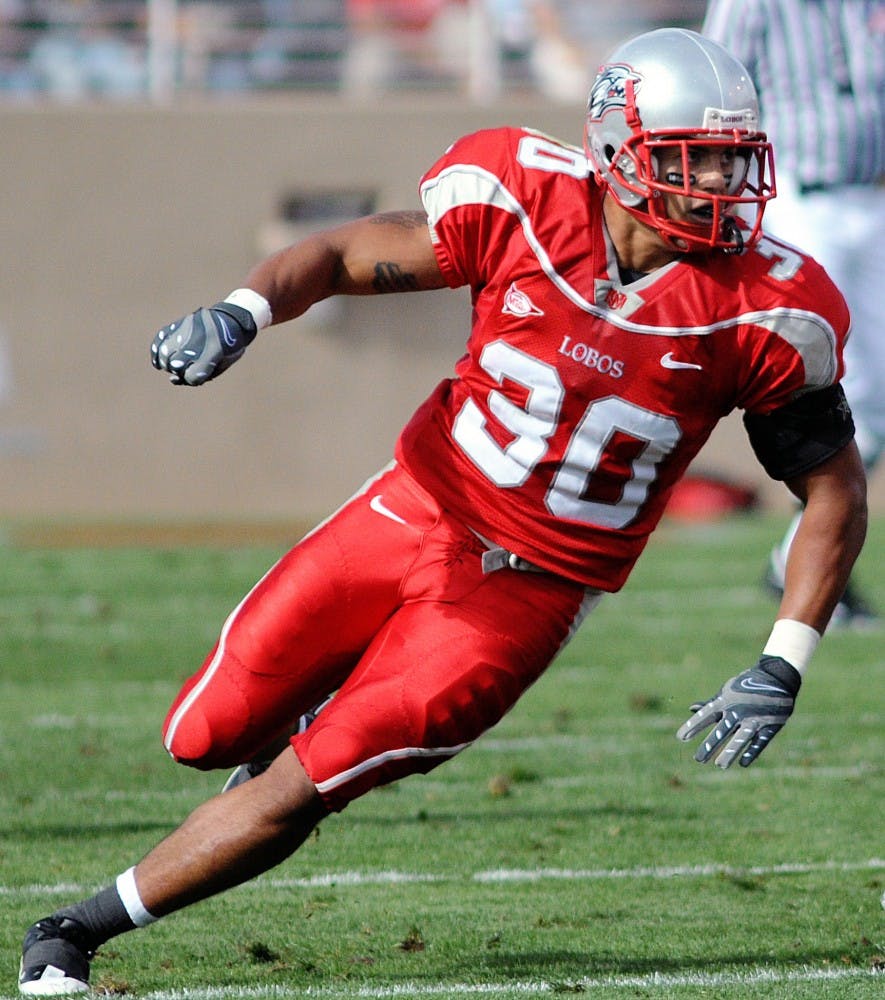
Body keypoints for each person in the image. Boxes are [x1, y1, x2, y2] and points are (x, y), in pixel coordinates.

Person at [18, 27, 867, 995]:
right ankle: (280, 743)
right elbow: (339, 253)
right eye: (693, 160)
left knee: (310, 783)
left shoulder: (768, 308)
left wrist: (784, 657)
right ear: (616, 150)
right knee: (202, 734)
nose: (720, 187)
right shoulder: (522, 197)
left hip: (528, 593)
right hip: (412, 507)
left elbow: (833, 485)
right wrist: (242, 311)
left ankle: (71, 933)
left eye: (733, 160)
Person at [702, 0, 885, 627]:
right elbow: (713, 82)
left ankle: (796, 562)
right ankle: (812, 573)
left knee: (879, 399)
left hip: (874, 196)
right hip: (801, 198)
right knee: (841, 382)